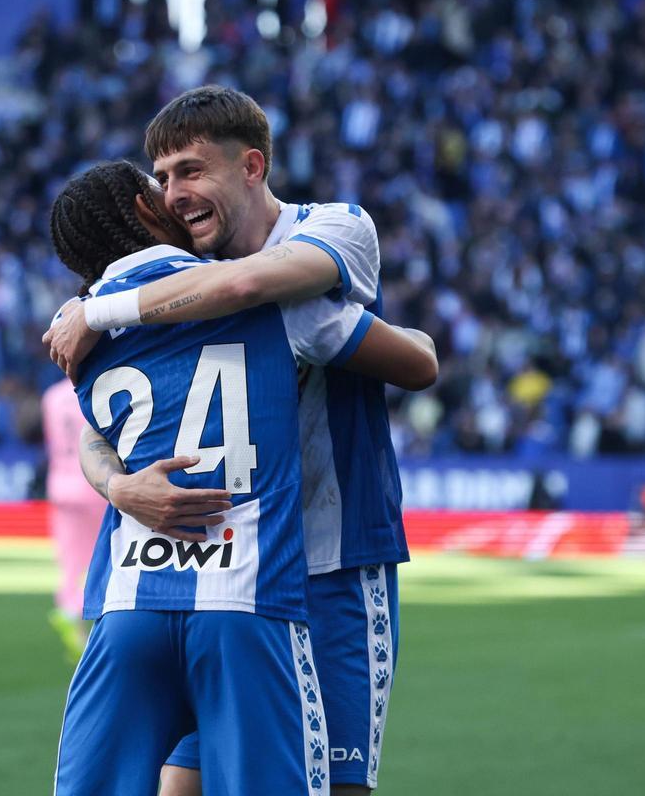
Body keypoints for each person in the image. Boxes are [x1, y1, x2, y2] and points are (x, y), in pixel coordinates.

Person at [44, 86, 421, 795]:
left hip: (332, 558)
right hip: (227, 577)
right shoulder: (164, 301)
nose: (174, 192)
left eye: (189, 171)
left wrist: (99, 303)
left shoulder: (334, 231)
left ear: (251, 166)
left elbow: (248, 286)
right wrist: (120, 487)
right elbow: (98, 438)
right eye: (160, 179)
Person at [41, 380, 104, 662]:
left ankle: (68, 607)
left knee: (69, 556)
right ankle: (83, 612)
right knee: (102, 554)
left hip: (60, 482)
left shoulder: (51, 396)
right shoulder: (96, 386)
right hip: (93, 483)